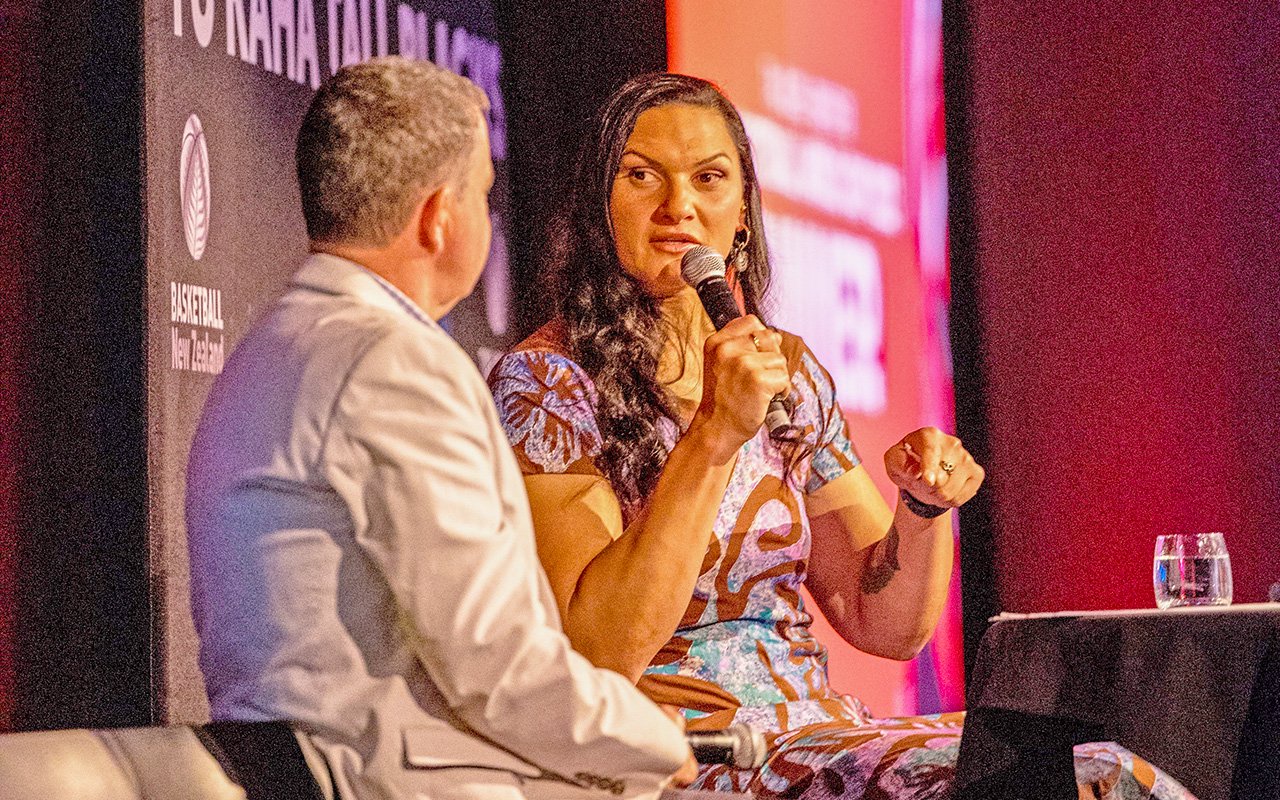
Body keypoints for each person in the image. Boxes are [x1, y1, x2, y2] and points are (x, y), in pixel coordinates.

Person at [488, 73, 1196, 800]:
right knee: (1083, 779)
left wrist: (921, 506)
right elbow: (593, 650)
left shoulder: (783, 369)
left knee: (1082, 761)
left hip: (815, 732)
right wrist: (711, 438)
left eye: (709, 178)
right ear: (600, 206)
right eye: (642, 177)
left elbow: (883, 622)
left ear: (742, 214)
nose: (680, 207)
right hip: (683, 753)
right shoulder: (548, 382)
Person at [185, 58, 695, 800]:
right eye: (482, 195)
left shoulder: (274, 345)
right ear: (438, 217)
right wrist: (650, 738)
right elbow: (493, 663)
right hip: (382, 777)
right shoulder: (392, 363)